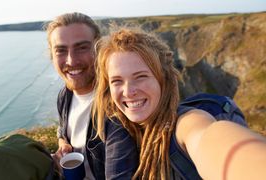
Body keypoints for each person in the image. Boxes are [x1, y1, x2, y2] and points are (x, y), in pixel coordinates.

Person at [93, 27, 266, 180]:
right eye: (117, 81)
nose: (129, 91)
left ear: (164, 80)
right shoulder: (117, 131)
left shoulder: (186, 123)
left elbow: (205, 136)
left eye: (141, 77)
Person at [46, 12, 138, 179]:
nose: (71, 61)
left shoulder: (115, 108)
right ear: (52, 56)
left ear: (100, 49)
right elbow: (62, 129)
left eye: (82, 48)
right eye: (60, 50)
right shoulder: (65, 95)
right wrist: (63, 144)